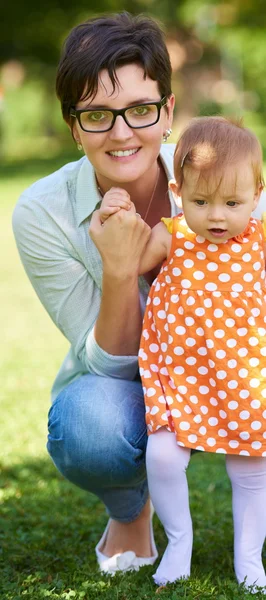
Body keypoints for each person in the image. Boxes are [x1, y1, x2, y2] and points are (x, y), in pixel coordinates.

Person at [12, 12, 177, 575]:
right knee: (90, 425)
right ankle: (131, 508)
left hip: (226, 369)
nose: (122, 132)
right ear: (73, 126)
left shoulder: (220, 178)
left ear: (168, 111)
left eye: (139, 109)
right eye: (97, 116)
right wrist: (119, 267)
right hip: (126, 389)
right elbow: (108, 364)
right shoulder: (42, 212)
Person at [99, 116, 266, 589]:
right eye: (201, 201)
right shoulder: (174, 234)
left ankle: (249, 557)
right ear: (178, 192)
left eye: (233, 203)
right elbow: (130, 260)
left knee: (252, 468)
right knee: (165, 458)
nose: (217, 216)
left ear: (257, 195)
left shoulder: (259, 240)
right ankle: (179, 543)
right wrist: (118, 215)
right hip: (181, 377)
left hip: (243, 378)